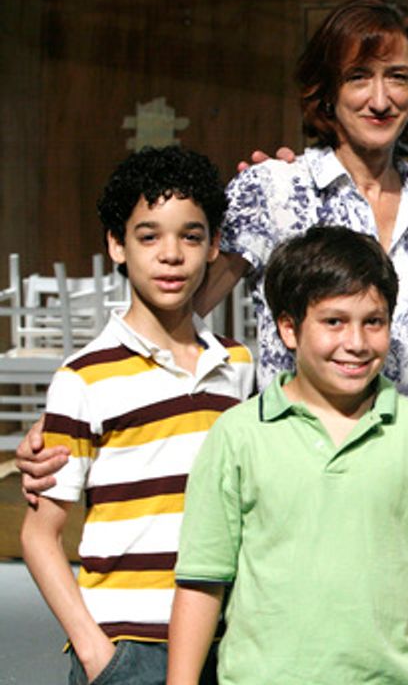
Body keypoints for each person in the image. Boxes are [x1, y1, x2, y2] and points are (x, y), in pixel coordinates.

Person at [167, 226, 408, 684]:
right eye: (334, 322)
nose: (356, 342)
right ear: (289, 328)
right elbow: (201, 580)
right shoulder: (238, 436)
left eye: (374, 321)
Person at [20, 146, 255, 685]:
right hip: (127, 647)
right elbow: (39, 533)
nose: (170, 254)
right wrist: (96, 652)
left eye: (191, 236)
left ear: (214, 245)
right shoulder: (84, 377)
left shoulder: (238, 367)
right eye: (149, 236)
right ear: (116, 245)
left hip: (227, 640)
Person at [197, 0, 408, 404]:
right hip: (296, 454)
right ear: (327, 91)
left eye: (397, 77)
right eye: (359, 77)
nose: (380, 100)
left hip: (404, 457)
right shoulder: (275, 189)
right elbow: (186, 315)